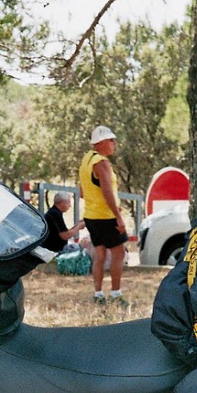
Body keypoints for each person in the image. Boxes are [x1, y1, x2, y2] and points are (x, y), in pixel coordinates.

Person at [78, 125, 128, 301]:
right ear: (100, 143)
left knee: (100, 253)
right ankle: (116, 294)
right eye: (111, 140)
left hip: (91, 215)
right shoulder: (101, 162)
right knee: (119, 253)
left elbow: (82, 192)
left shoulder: (86, 160)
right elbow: (107, 191)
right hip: (106, 216)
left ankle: (98, 294)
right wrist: (118, 216)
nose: (114, 144)